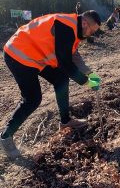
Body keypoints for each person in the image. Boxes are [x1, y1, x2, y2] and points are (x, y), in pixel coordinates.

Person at [1, 10, 101, 160]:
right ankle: (5, 137)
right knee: (32, 98)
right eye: (92, 30)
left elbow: (73, 55)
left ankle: (65, 121)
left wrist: (90, 73)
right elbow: (65, 63)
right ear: (85, 23)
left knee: (61, 79)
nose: (91, 34)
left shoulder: (74, 28)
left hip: (35, 57)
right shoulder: (66, 26)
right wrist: (85, 81)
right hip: (18, 54)